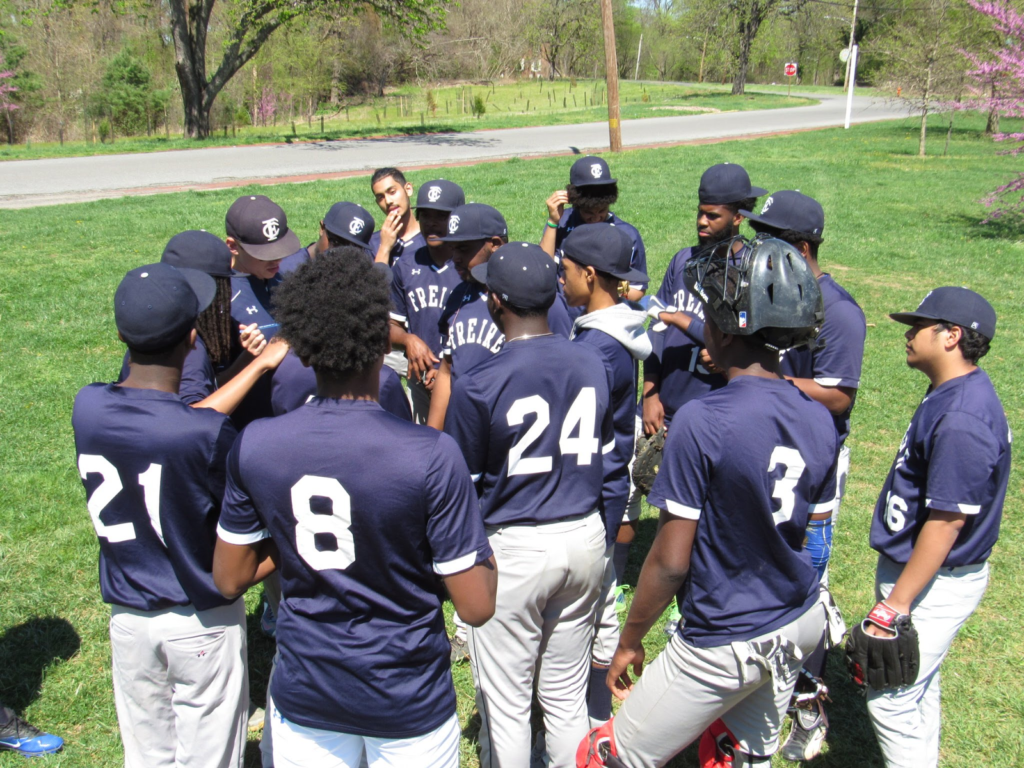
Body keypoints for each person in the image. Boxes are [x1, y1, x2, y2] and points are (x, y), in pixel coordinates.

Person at [212, 251, 497, 768]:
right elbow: (475, 606)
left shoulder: (256, 444)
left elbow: (230, 578)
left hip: (306, 690)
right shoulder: (430, 455)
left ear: (302, 341)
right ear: (378, 337)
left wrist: (294, 537)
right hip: (406, 694)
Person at [579, 237, 835, 768]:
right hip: (798, 617)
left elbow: (672, 562)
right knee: (735, 758)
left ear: (722, 329)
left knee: (602, 755)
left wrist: (630, 640)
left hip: (728, 633)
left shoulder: (703, 419)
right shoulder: (818, 417)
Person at [444, 242, 614, 768]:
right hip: (585, 535)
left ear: (495, 301)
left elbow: (462, 491)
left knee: (508, 702)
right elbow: (608, 468)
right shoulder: (593, 361)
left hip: (514, 546)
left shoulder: (478, 382)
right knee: (565, 696)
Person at [73, 263, 248, 768]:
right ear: (193, 338)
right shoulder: (204, 434)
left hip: (128, 619)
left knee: (147, 754)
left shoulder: (87, 407)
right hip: (200, 617)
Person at [740, 191, 866, 761]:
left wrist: (771, 387)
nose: (755, 245)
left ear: (803, 247)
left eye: (768, 236)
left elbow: (839, 395)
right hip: (764, 456)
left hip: (812, 467)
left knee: (803, 577)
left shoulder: (837, 311)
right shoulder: (765, 291)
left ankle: (809, 702)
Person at [862, 287, 1008, 768]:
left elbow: (946, 522)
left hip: (932, 583)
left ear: (952, 336)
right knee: (918, 687)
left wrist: (895, 606)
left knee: (892, 696)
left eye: (919, 326)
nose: (908, 333)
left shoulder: (963, 417)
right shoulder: (951, 393)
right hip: (926, 577)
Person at [625, 162, 766, 632]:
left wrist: (715, 348)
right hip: (675, 401)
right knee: (674, 506)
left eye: (714, 216)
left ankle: (706, 603)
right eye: (700, 214)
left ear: (738, 217)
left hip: (721, 408)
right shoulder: (683, 261)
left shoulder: (751, 267)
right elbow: (659, 324)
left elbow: (754, 348)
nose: (702, 223)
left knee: (716, 516)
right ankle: (681, 597)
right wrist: (651, 389)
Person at [559, 223, 651, 729]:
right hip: (610, 487)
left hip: (592, 494)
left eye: (566, 271)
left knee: (587, 615)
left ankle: (591, 716)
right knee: (601, 603)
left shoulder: (598, 349)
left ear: (590, 275)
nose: (560, 279)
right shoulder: (619, 330)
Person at [426, 203, 572, 433]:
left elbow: (562, 372)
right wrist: (432, 437)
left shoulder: (535, 299)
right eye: (452, 249)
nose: (455, 258)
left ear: (494, 244)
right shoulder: (459, 295)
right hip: (464, 428)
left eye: (463, 249)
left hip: (517, 431)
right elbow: (447, 368)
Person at [117, 230, 290, 415]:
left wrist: (245, 360)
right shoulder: (190, 346)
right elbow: (192, 417)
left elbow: (210, 387)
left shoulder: (158, 325)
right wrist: (261, 364)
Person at [388, 179, 466, 423]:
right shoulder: (405, 266)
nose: (432, 223)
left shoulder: (470, 264)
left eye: (441, 216)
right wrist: (407, 339)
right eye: (426, 215)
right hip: (421, 381)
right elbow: (390, 326)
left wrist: (445, 370)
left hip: (465, 379)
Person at [225, 194, 304, 428]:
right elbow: (210, 388)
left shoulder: (288, 283)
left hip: (294, 423)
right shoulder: (221, 298)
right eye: (264, 254)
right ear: (233, 246)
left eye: (279, 248)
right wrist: (247, 358)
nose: (276, 259)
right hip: (246, 428)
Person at [539, 155, 648, 302]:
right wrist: (553, 221)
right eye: (588, 212)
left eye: (601, 211)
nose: (596, 218)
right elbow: (542, 270)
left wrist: (612, 298)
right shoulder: (561, 222)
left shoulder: (627, 235)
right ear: (577, 203)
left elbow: (637, 287)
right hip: (564, 312)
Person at [369, 167, 427, 265]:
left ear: (408, 189)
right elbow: (374, 280)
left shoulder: (429, 237)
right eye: (380, 197)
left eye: (392, 192)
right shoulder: (372, 244)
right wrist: (384, 248)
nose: (388, 201)